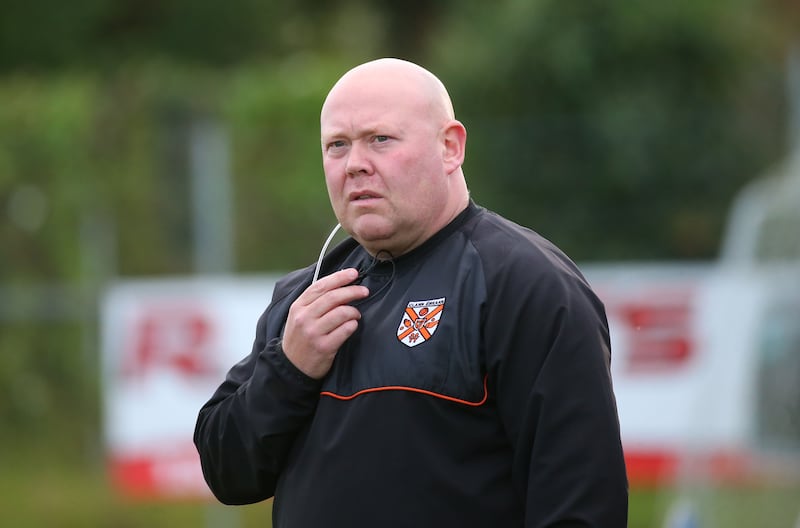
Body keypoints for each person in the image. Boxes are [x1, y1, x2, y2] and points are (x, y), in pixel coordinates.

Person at [194, 57, 628, 527]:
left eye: (380, 139)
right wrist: (289, 371)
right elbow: (227, 473)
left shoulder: (527, 285)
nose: (355, 165)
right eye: (337, 145)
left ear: (449, 147)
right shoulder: (305, 297)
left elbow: (582, 505)